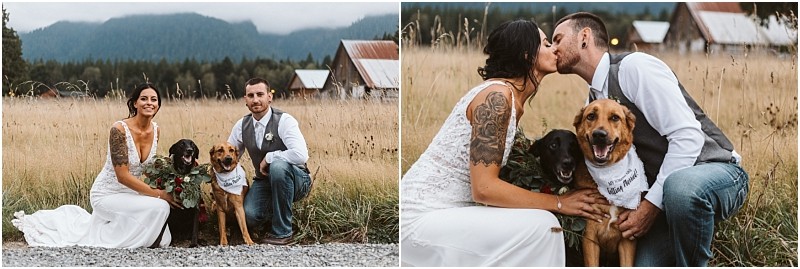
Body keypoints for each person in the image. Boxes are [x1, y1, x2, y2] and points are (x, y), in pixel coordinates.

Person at [400, 19, 608, 267]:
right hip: (422, 218)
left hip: (452, 213)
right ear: (527, 54)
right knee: (545, 226)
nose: (554, 49)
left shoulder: (508, 98)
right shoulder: (497, 98)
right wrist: (561, 203)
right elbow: (484, 189)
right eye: (545, 44)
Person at [551, 12, 750, 266]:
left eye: (558, 39)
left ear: (584, 38)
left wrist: (649, 207)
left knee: (682, 188)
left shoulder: (634, 68)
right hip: (664, 200)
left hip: (715, 172)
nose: (553, 48)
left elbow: (688, 137)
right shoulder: (592, 105)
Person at [11, 83, 181, 248]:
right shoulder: (120, 129)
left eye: (154, 99)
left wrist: (179, 180)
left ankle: (112, 231)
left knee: (164, 239)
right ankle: (107, 237)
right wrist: (159, 194)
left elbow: (148, 168)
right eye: (144, 99)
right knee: (160, 206)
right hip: (107, 195)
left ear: (158, 105)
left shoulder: (156, 130)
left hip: (132, 196)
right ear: (135, 103)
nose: (149, 103)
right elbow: (122, 176)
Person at [227, 77, 312, 245]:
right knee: (249, 216)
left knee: (278, 167)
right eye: (250, 96)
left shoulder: (284, 120)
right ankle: (272, 221)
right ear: (245, 100)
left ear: (269, 97)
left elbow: (301, 155)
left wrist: (270, 157)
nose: (256, 100)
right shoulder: (241, 125)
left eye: (260, 94)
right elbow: (229, 157)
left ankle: (283, 232)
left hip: (297, 180)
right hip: (264, 182)